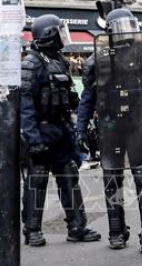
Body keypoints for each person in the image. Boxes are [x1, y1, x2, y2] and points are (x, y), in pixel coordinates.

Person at [76, 8, 142, 254]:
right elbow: (89, 97)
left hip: (133, 125)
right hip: (116, 126)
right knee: (120, 178)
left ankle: (141, 235)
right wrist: (81, 128)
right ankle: (125, 233)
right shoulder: (103, 58)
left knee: (133, 178)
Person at [20, 14, 101, 247]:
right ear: (49, 34)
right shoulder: (31, 63)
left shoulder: (59, 60)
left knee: (69, 178)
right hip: (42, 130)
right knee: (37, 182)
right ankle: (32, 230)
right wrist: (33, 139)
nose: (62, 36)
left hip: (61, 129)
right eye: (58, 31)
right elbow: (25, 106)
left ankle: (77, 227)